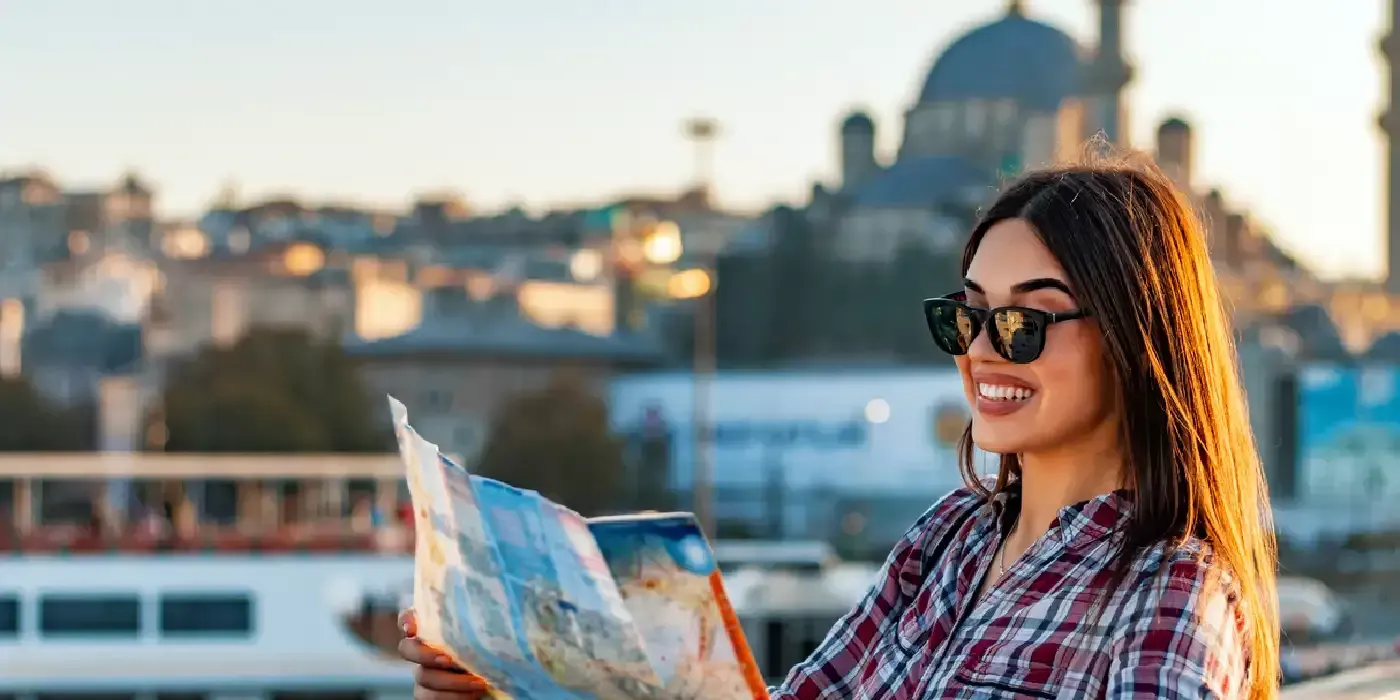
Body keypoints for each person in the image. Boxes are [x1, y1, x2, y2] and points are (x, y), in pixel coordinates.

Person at [397, 156, 1281, 699]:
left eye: (1026, 320)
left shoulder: (1171, 590)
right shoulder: (949, 542)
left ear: (1134, 338)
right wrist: (511, 677)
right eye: (967, 315)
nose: (982, 350)